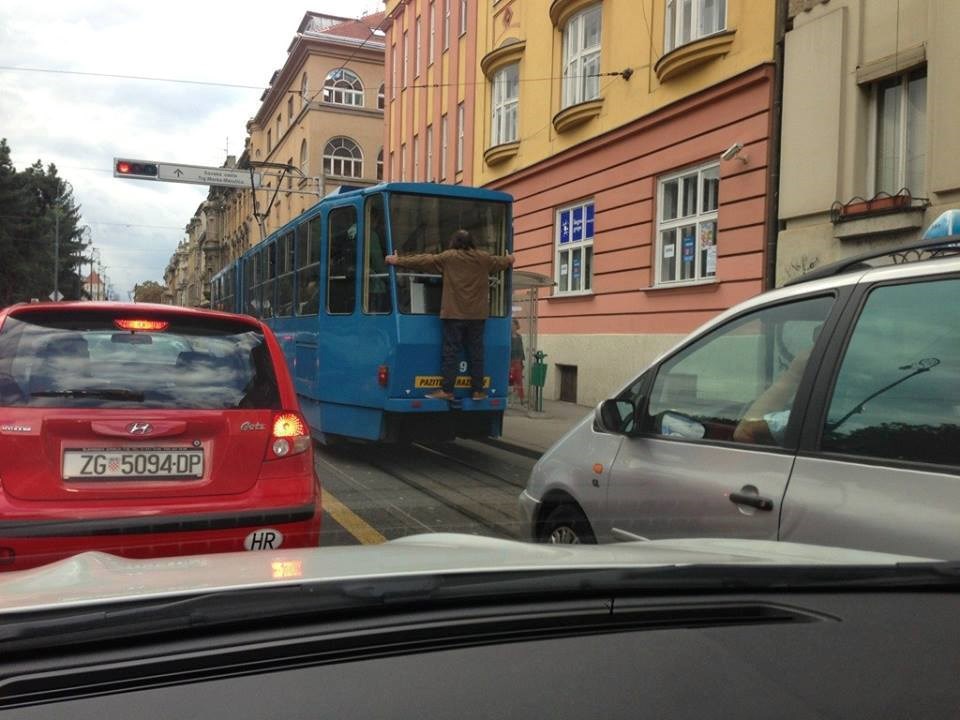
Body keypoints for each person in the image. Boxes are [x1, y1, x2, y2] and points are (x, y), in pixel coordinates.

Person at [386, 229, 515, 400]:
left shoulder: (449, 257)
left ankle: (447, 391)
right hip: (477, 315)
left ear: (454, 242)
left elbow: (424, 260)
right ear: (471, 242)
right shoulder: (483, 258)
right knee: (476, 353)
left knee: (451, 352)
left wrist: (398, 260)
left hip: (454, 314)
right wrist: (509, 259)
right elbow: (500, 262)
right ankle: (478, 391)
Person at [510, 319, 525, 406]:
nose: (512, 327)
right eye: (511, 325)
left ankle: (521, 398)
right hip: (509, 360)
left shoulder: (519, 337)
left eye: (514, 325)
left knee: (519, 380)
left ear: (516, 326)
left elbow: (521, 349)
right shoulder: (507, 336)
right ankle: (509, 399)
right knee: (510, 380)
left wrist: (521, 362)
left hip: (517, 361)